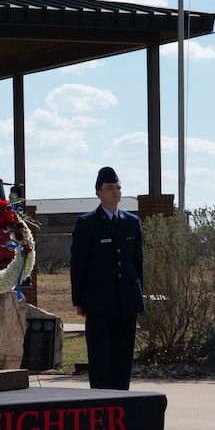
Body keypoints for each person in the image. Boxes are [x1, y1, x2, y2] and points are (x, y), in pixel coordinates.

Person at [69, 166, 145, 390]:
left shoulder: (132, 222)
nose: (116, 192)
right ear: (98, 193)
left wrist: (138, 292)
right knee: (101, 359)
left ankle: (122, 402)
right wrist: (79, 300)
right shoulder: (88, 223)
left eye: (118, 188)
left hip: (127, 301)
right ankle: (102, 404)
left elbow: (137, 261)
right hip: (99, 302)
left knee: (123, 358)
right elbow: (78, 264)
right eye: (110, 188)